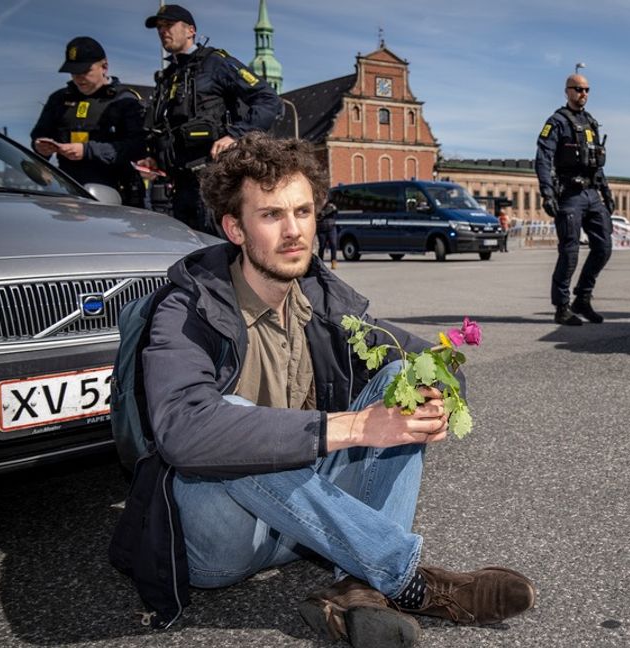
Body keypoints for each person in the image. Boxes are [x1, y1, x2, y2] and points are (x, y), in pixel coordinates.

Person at [117, 133, 535, 647]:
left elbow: (429, 360)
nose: (294, 232)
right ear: (235, 228)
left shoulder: (325, 300)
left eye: (303, 212)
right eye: (271, 215)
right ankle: (403, 578)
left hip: (308, 524)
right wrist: (357, 426)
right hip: (222, 540)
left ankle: (358, 587)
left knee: (401, 380)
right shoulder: (187, 307)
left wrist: (438, 401)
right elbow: (183, 432)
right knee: (228, 414)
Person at [136, 4, 282, 234]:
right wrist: (154, 157)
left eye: (169, 25)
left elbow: (268, 100)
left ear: (190, 30)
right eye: (159, 28)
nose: (163, 31)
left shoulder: (216, 63)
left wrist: (235, 135)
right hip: (178, 186)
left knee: (219, 253)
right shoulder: (168, 77)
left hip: (214, 181)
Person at [535, 73, 615, 326]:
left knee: (604, 247)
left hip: (592, 194)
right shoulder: (556, 122)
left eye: (587, 90)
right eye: (578, 89)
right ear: (567, 91)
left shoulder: (590, 122)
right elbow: (543, 158)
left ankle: (583, 297)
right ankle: (561, 306)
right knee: (569, 252)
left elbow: (595, 163)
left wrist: (606, 192)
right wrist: (547, 192)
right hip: (569, 194)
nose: (583, 94)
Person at [30, 36, 146, 207]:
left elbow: (137, 147)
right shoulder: (58, 99)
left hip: (118, 194)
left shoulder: (124, 100)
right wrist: (41, 148)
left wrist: (87, 151)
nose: (79, 78)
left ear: (104, 66)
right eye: (74, 72)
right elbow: (39, 136)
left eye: (85, 71)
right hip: (70, 194)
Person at [317, 199, 339, 268]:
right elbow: (316, 215)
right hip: (321, 228)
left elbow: (336, 211)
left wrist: (333, 208)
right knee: (322, 246)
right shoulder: (317, 204)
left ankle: (334, 261)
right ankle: (320, 263)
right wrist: (321, 213)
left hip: (331, 227)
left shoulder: (331, 202)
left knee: (333, 244)